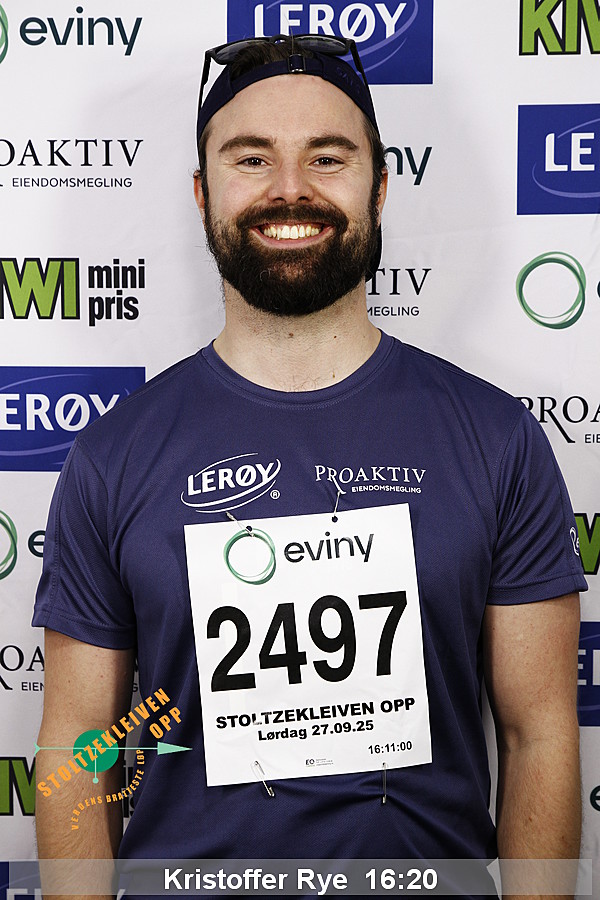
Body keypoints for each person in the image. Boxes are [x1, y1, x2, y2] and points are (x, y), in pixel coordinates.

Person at [33, 33, 585, 897]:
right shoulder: (112, 456)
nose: (290, 188)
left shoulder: (497, 438)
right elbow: (78, 747)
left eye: (327, 157)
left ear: (380, 186)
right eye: (251, 158)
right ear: (202, 192)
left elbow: (538, 736)